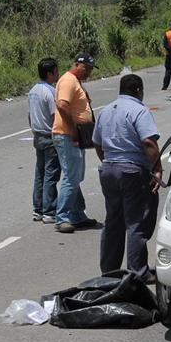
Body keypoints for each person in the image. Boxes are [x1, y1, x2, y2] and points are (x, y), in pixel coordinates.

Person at [93, 74, 162, 283]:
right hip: (132, 172)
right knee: (136, 223)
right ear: (139, 90)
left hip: (109, 170)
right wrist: (157, 168)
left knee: (113, 222)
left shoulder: (106, 111)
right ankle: (138, 272)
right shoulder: (139, 110)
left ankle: (109, 272)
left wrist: (109, 161)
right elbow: (148, 142)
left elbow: (97, 142)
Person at [52, 53, 98, 233]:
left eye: (90, 69)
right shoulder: (68, 81)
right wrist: (72, 130)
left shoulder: (75, 81)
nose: (88, 72)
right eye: (86, 68)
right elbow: (62, 105)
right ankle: (62, 217)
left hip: (74, 134)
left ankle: (77, 215)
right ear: (77, 65)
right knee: (72, 177)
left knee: (76, 176)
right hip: (67, 135)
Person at [29, 58, 61, 224]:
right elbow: (55, 117)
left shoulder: (33, 90)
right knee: (51, 174)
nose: (58, 74)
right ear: (49, 73)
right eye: (56, 71)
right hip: (49, 136)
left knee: (40, 173)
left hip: (37, 135)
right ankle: (49, 210)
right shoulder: (51, 92)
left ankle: (38, 209)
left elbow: (30, 115)